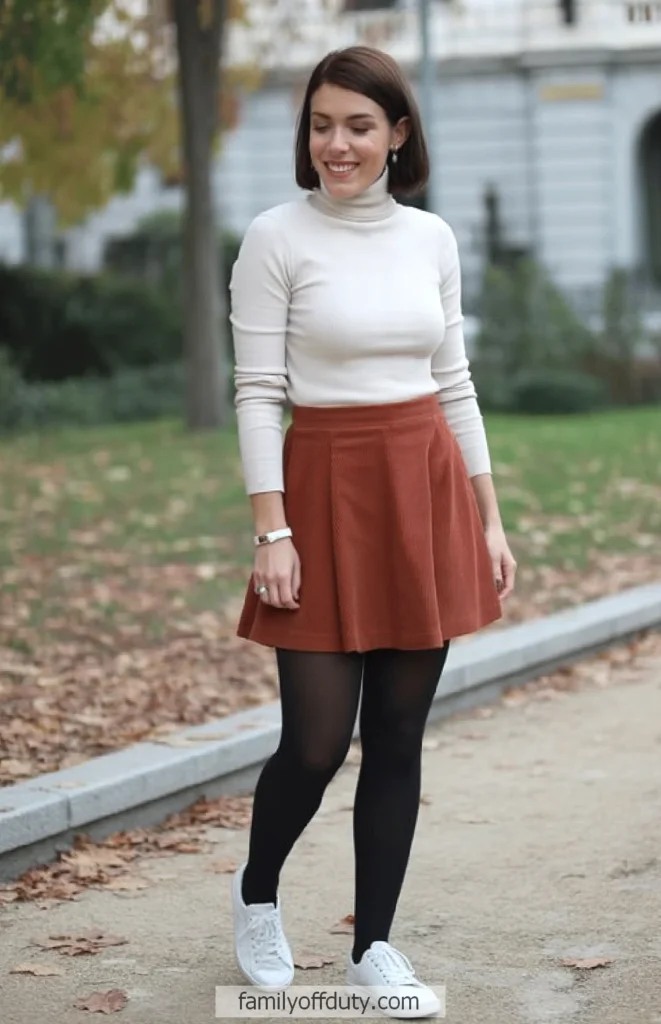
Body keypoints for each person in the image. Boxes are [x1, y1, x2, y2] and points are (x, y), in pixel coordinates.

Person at [228, 44, 517, 1017]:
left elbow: (453, 381)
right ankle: (257, 894)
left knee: (396, 735)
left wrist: (488, 516)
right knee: (314, 743)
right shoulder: (275, 237)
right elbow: (257, 393)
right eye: (321, 125)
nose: (337, 144)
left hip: (420, 487)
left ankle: (373, 947)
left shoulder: (430, 238)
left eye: (358, 125)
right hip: (320, 487)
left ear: (398, 132)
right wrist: (271, 530)